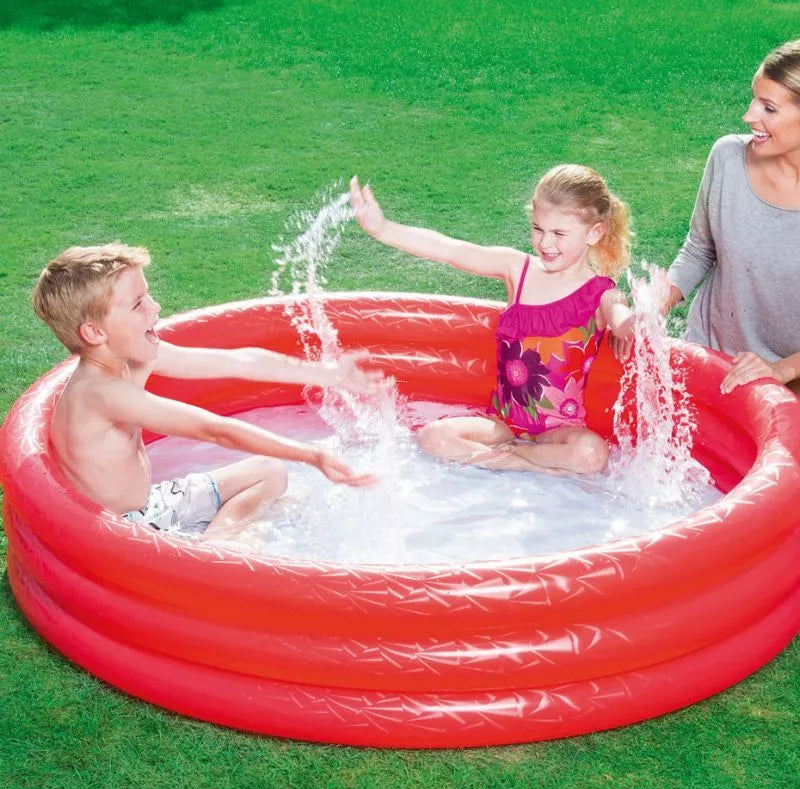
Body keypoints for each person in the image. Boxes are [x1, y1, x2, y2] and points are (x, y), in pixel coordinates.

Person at [32, 243, 382, 539]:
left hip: (152, 503)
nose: (155, 307)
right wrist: (311, 455)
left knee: (270, 471)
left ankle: (218, 536)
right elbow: (214, 430)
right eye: (138, 304)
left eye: (148, 295)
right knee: (265, 519)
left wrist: (327, 373)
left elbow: (241, 361)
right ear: (95, 332)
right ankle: (214, 552)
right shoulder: (100, 392)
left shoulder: (132, 359)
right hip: (120, 532)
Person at [350, 166, 634, 475]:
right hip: (502, 425)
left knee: (591, 454)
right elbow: (451, 250)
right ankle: (533, 465)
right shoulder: (518, 270)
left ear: (594, 233)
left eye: (559, 234)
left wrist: (641, 313)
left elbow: (623, 321)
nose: (545, 243)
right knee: (434, 436)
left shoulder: (601, 293)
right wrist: (382, 229)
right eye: (538, 229)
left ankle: (509, 459)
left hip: (560, 431)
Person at [664, 39, 800, 395]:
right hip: (710, 354)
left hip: (787, 385)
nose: (749, 116)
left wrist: (782, 369)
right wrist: (659, 300)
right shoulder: (727, 157)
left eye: (768, 108)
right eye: (754, 99)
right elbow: (698, 250)